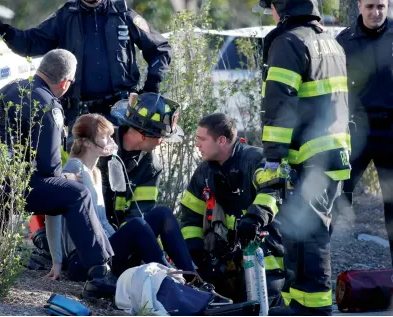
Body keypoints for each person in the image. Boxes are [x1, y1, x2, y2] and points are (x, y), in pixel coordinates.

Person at [0, 49, 117, 300]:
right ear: (65, 83)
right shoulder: (47, 104)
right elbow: (49, 167)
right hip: (4, 185)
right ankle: (100, 273)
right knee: (77, 193)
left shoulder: (10, 88)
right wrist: (66, 178)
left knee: (65, 189)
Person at [251, 0, 351, 315]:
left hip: (311, 155)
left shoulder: (289, 42)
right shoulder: (329, 42)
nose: (272, 14)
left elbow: (280, 104)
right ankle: (298, 302)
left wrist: (272, 158)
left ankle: (314, 307)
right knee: (300, 231)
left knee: (309, 235)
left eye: (272, 7)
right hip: (332, 151)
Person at [0, 0, 171, 144]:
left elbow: (160, 49)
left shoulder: (123, 14)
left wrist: (150, 88)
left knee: (121, 175)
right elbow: (30, 44)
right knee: (80, 175)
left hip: (121, 114)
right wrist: (2, 29)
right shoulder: (66, 16)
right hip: (80, 115)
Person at [46, 114, 200, 289]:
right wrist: (57, 262)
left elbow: (102, 221)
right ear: (88, 142)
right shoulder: (74, 168)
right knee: (137, 225)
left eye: (111, 136)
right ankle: (172, 281)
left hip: (104, 253)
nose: (111, 141)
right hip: (82, 262)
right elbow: (53, 215)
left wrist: (123, 243)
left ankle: (191, 277)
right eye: (105, 137)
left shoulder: (95, 172)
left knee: (162, 214)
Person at [179, 113, 285, 307]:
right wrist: (195, 251)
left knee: (262, 303)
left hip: (264, 248)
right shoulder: (204, 172)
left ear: (221, 140)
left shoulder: (255, 159)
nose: (197, 145)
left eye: (202, 139)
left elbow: (272, 190)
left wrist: (253, 219)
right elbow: (189, 216)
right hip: (226, 254)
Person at [335, 0, 393, 266]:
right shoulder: (343, 42)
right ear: (359, 6)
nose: (376, 12)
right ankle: (318, 275)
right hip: (354, 133)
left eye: (381, 5)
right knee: (334, 196)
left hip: (390, 133)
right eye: (370, 6)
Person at [100, 92, 183, 228]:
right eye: (160, 137)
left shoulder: (151, 167)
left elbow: (138, 214)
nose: (161, 142)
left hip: (119, 238)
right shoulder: (98, 143)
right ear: (143, 136)